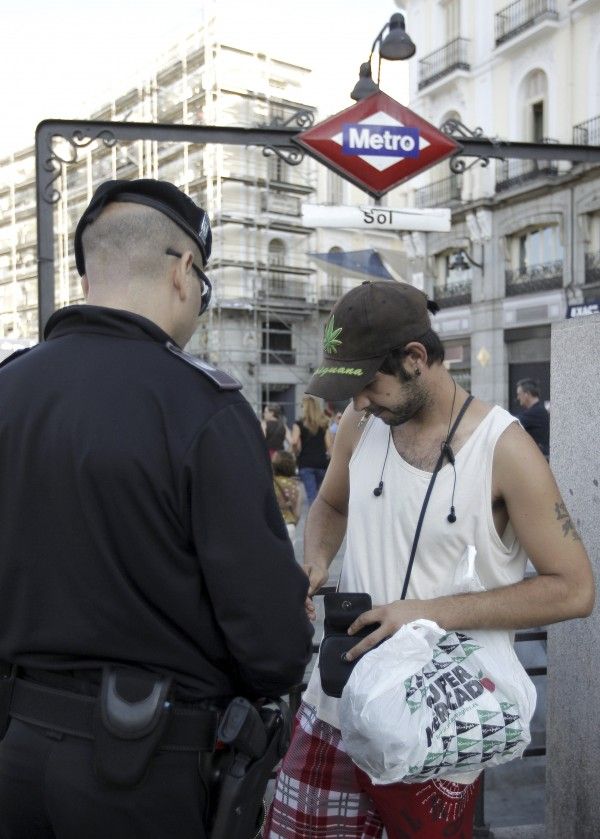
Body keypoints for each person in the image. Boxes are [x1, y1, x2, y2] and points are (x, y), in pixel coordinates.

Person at [0, 178, 313, 839]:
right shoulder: (202, 407)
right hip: (147, 766)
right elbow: (272, 639)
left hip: (16, 751)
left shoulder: (10, 388)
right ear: (183, 270)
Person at [265, 280, 594, 839]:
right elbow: (330, 504)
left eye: (368, 384)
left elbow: (574, 589)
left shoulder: (505, 448)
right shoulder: (360, 426)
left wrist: (425, 612)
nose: (359, 402)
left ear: (415, 359)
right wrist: (315, 561)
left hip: (436, 727)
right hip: (336, 706)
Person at [291, 395, 333, 505]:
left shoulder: (299, 424)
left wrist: (296, 452)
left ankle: (313, 521)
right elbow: (329, 445)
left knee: (311, 496)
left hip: (306, 463)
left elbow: (294, 441)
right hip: (321, 463)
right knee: (320, 496)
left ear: (305, 408)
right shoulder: (324, 424)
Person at [272, 450, 303, 542]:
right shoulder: (296, 486)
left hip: (273, 526)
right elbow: (297, 513)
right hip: (290, 526)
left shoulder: (270, 483)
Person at [515, 378, 550, 458]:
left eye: (519, 394)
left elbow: (511, 421)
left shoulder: (536, 412)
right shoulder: (538, 410)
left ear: (527, 394)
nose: (518, 397)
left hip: (540, 460)